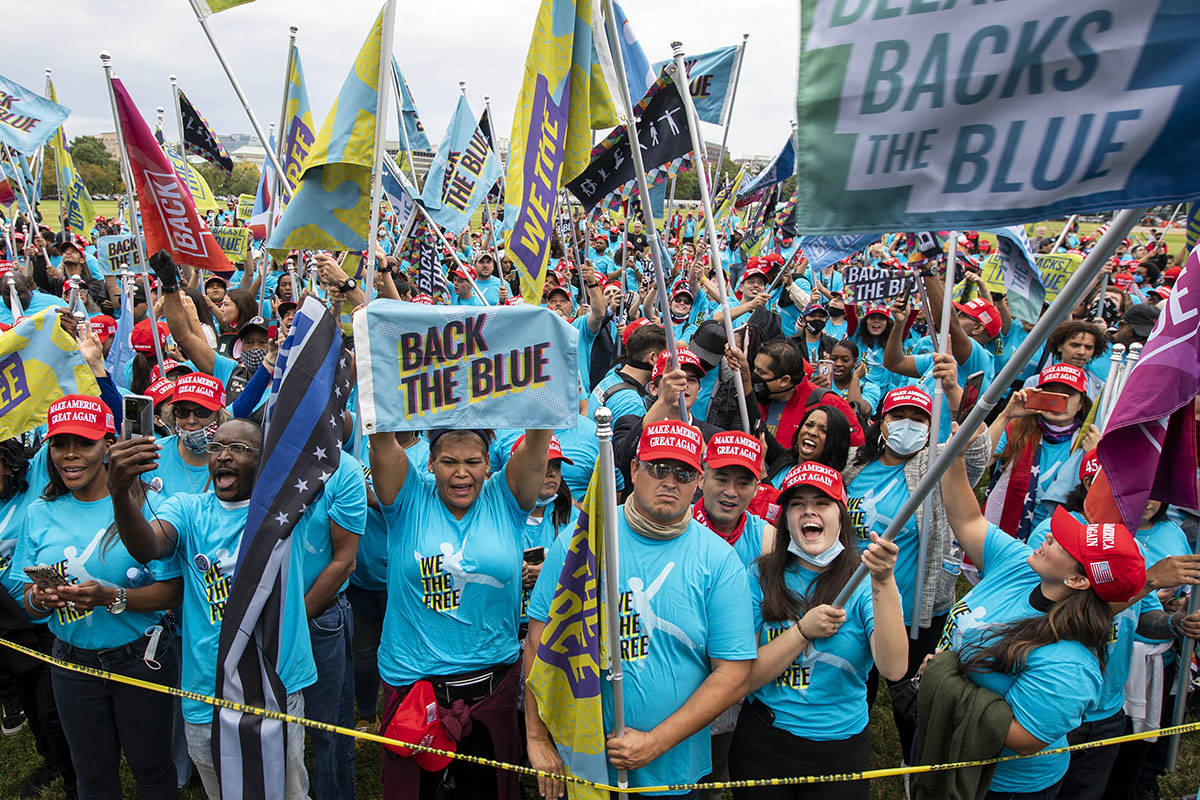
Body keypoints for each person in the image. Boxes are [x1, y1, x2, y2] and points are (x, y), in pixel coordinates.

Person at [526, 420, 756, 799]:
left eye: (683, 472)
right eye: (658, 468)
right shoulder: (581, 542)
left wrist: (654, 742)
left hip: (673, 771)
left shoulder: (719, 560)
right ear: (633, 470)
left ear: (698, 481)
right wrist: (536, 739)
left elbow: (733, 674)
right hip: (585, 761)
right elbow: (539, 643)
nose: (670, 481)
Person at [107, 419, 316, 799]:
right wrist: (120, 493)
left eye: (238, 448)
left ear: (264, 458)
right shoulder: (186, 509)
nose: (223, 455)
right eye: (217, 446)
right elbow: (149, 547)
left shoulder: (285, 511)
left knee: (286, 791)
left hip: (276, 681)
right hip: (208, 688)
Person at [937, 445, 1147, 798]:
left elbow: (1024, 738)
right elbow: (967, 520)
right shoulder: (1021, 565)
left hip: (1004, 786)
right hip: (952, 753)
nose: (1049, 535)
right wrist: (954, 457)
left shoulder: (1070, 664)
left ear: (1079, 581)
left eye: (1064, 544)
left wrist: (943, 679)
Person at [367, 425, 552, 800]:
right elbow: (380, 435)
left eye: (473, 462)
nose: (461, 472)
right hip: (414, 688)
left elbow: (538, 438)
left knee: (489, 791)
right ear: (431, 462)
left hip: (491, 689)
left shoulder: (506, 495)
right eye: (449, 462)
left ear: (489, 465)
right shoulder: (408, 496)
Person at [16, 395, 182, 800]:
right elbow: (26, 600)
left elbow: (174, 592)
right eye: (59, 443)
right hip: (71, 663)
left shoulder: (148, 504)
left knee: (152, 769)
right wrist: (42, 598)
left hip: (142, 659)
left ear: (109, 446)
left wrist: (112, 597)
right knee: (91, 774)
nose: (69, 455)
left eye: (83, 443)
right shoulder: (39, 513)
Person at [729, 461, 907, 800]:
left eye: (821, 503)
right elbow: (743, 678)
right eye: (797, 504)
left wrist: (884, 580)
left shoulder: (867, 579)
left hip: (840, 751)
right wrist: (801, 632)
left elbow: (894, 667)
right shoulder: (759, 576)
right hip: (765, 741)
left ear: (841, 515)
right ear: (785, 519)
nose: (809, 512)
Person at [842, 375, 991, 759]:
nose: (907, 424)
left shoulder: (932, 467)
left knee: (912, 701)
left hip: (914, 613)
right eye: (898, 415)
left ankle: (916, 768)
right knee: (855, 688)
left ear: (929, 427)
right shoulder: (854, 467)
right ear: (882, 421)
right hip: (855, 610)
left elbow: (975, 455)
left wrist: (958, 396)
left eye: (918, 418)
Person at [985, 363, 1095, 539]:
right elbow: (980, 461)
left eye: (1067, 395)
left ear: (1081, 403)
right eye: (1051, 393)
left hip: (1057, 540)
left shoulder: (1088, 440)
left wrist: (1095, 456)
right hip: (1005, 536)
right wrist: (1006, 415)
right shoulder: (1016, 428)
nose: (1058, 401)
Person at [767, 405, 852, 488]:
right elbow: (761, 430)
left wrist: (763, 477)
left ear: (835, 443)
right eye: (809, 425)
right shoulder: (786, 460)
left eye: (824, 430)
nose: (812, 432)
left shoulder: (831, 484)